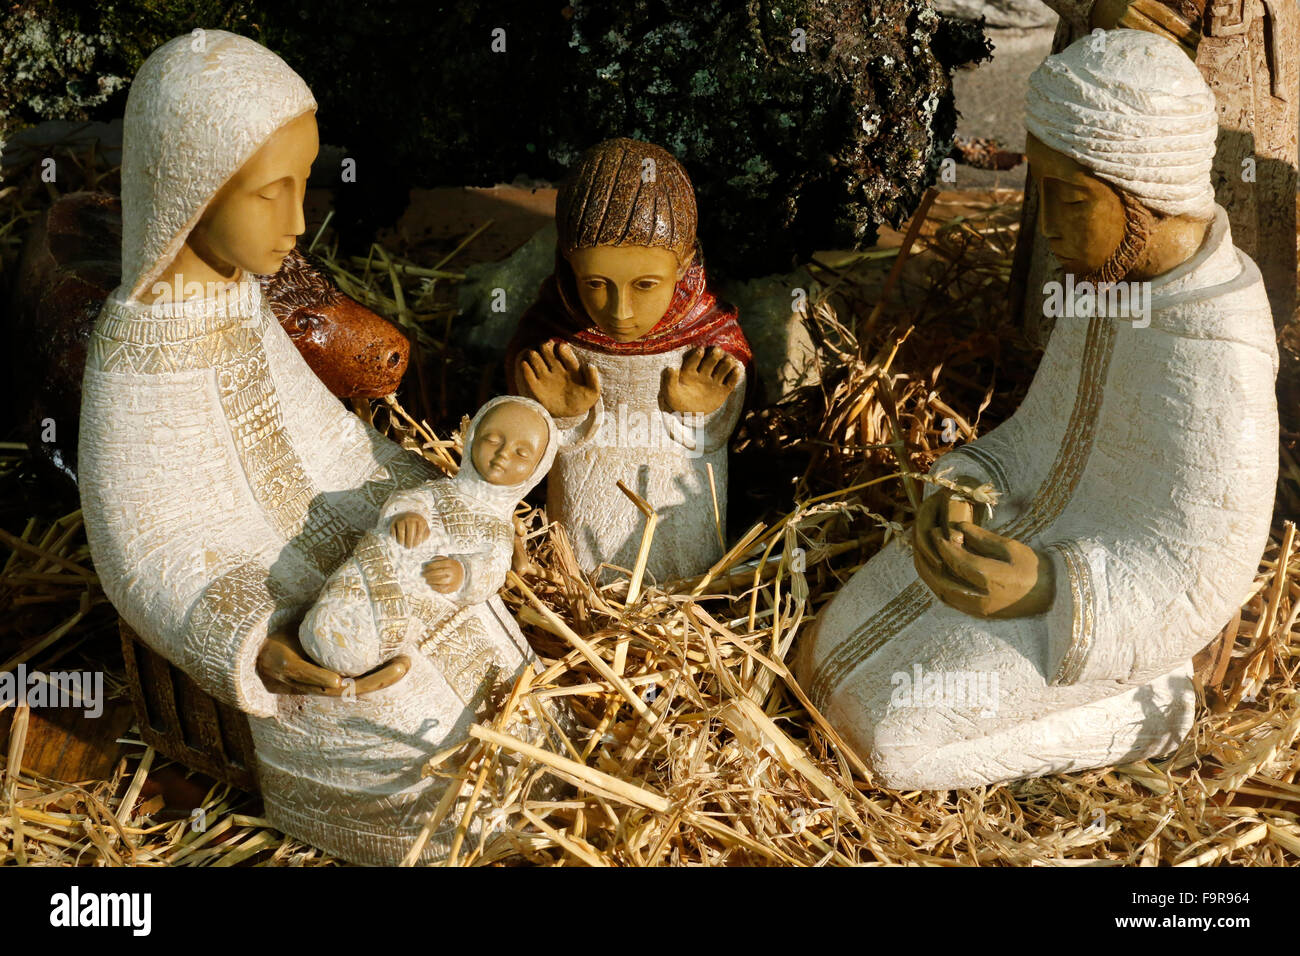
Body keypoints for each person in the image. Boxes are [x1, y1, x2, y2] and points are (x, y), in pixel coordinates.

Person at [796, 30, 1279, 790]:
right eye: (1039, 186)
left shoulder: (1220, 349)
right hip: (1021, 539)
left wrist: (1052, 589)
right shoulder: (1109, 279)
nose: (1044, 221)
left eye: (1071, 196)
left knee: (886, 740)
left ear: (1146, 193)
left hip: (1104, 616)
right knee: (823, 655)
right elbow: (1042, 434)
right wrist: (964, 485)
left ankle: (1154, 708)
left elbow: (1203, 566)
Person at [507, 138, 752, 582]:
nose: (619, 312)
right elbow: (520, 420)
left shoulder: (705, 329)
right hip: (588, 486)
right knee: (586, 562)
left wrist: (706, 410)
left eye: (645, 285)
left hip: (678, 486)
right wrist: (557, 416)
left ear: (684, 263)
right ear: (568, 261)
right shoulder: (554, 328)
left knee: (685, 559)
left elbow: (724, 418)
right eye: (596, 283)